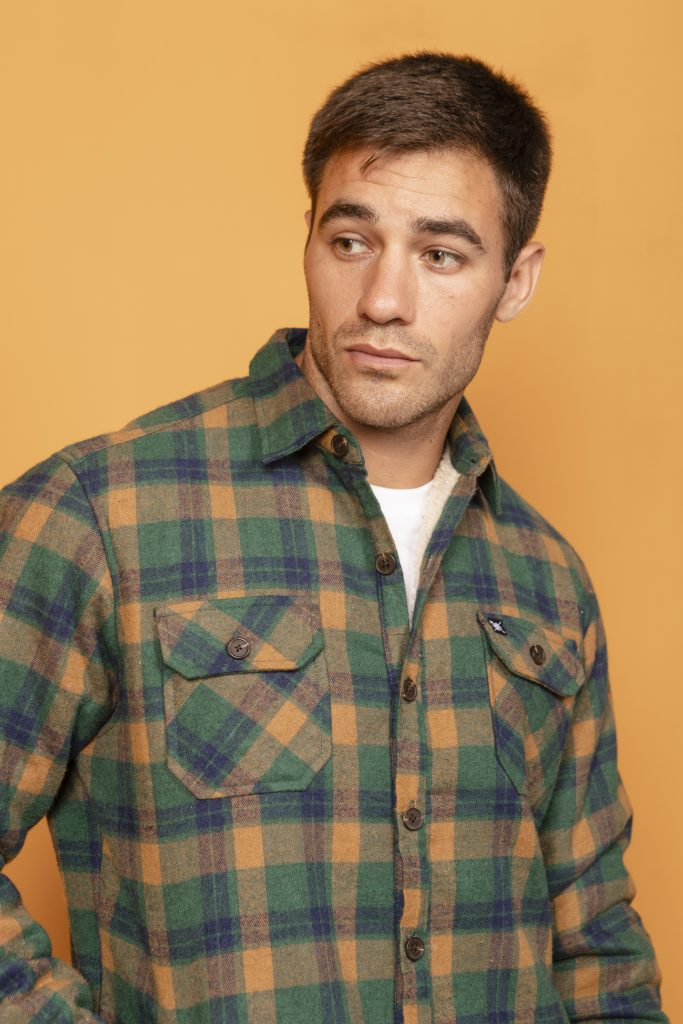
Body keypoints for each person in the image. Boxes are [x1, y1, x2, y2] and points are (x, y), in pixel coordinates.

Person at [0, 52, 666, 1024]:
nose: (382, 299)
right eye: (351, 240)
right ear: (307, 236)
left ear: (515, 280)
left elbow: (598, 944)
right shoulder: (99, 513)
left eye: (440, 256)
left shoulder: (545, 578)